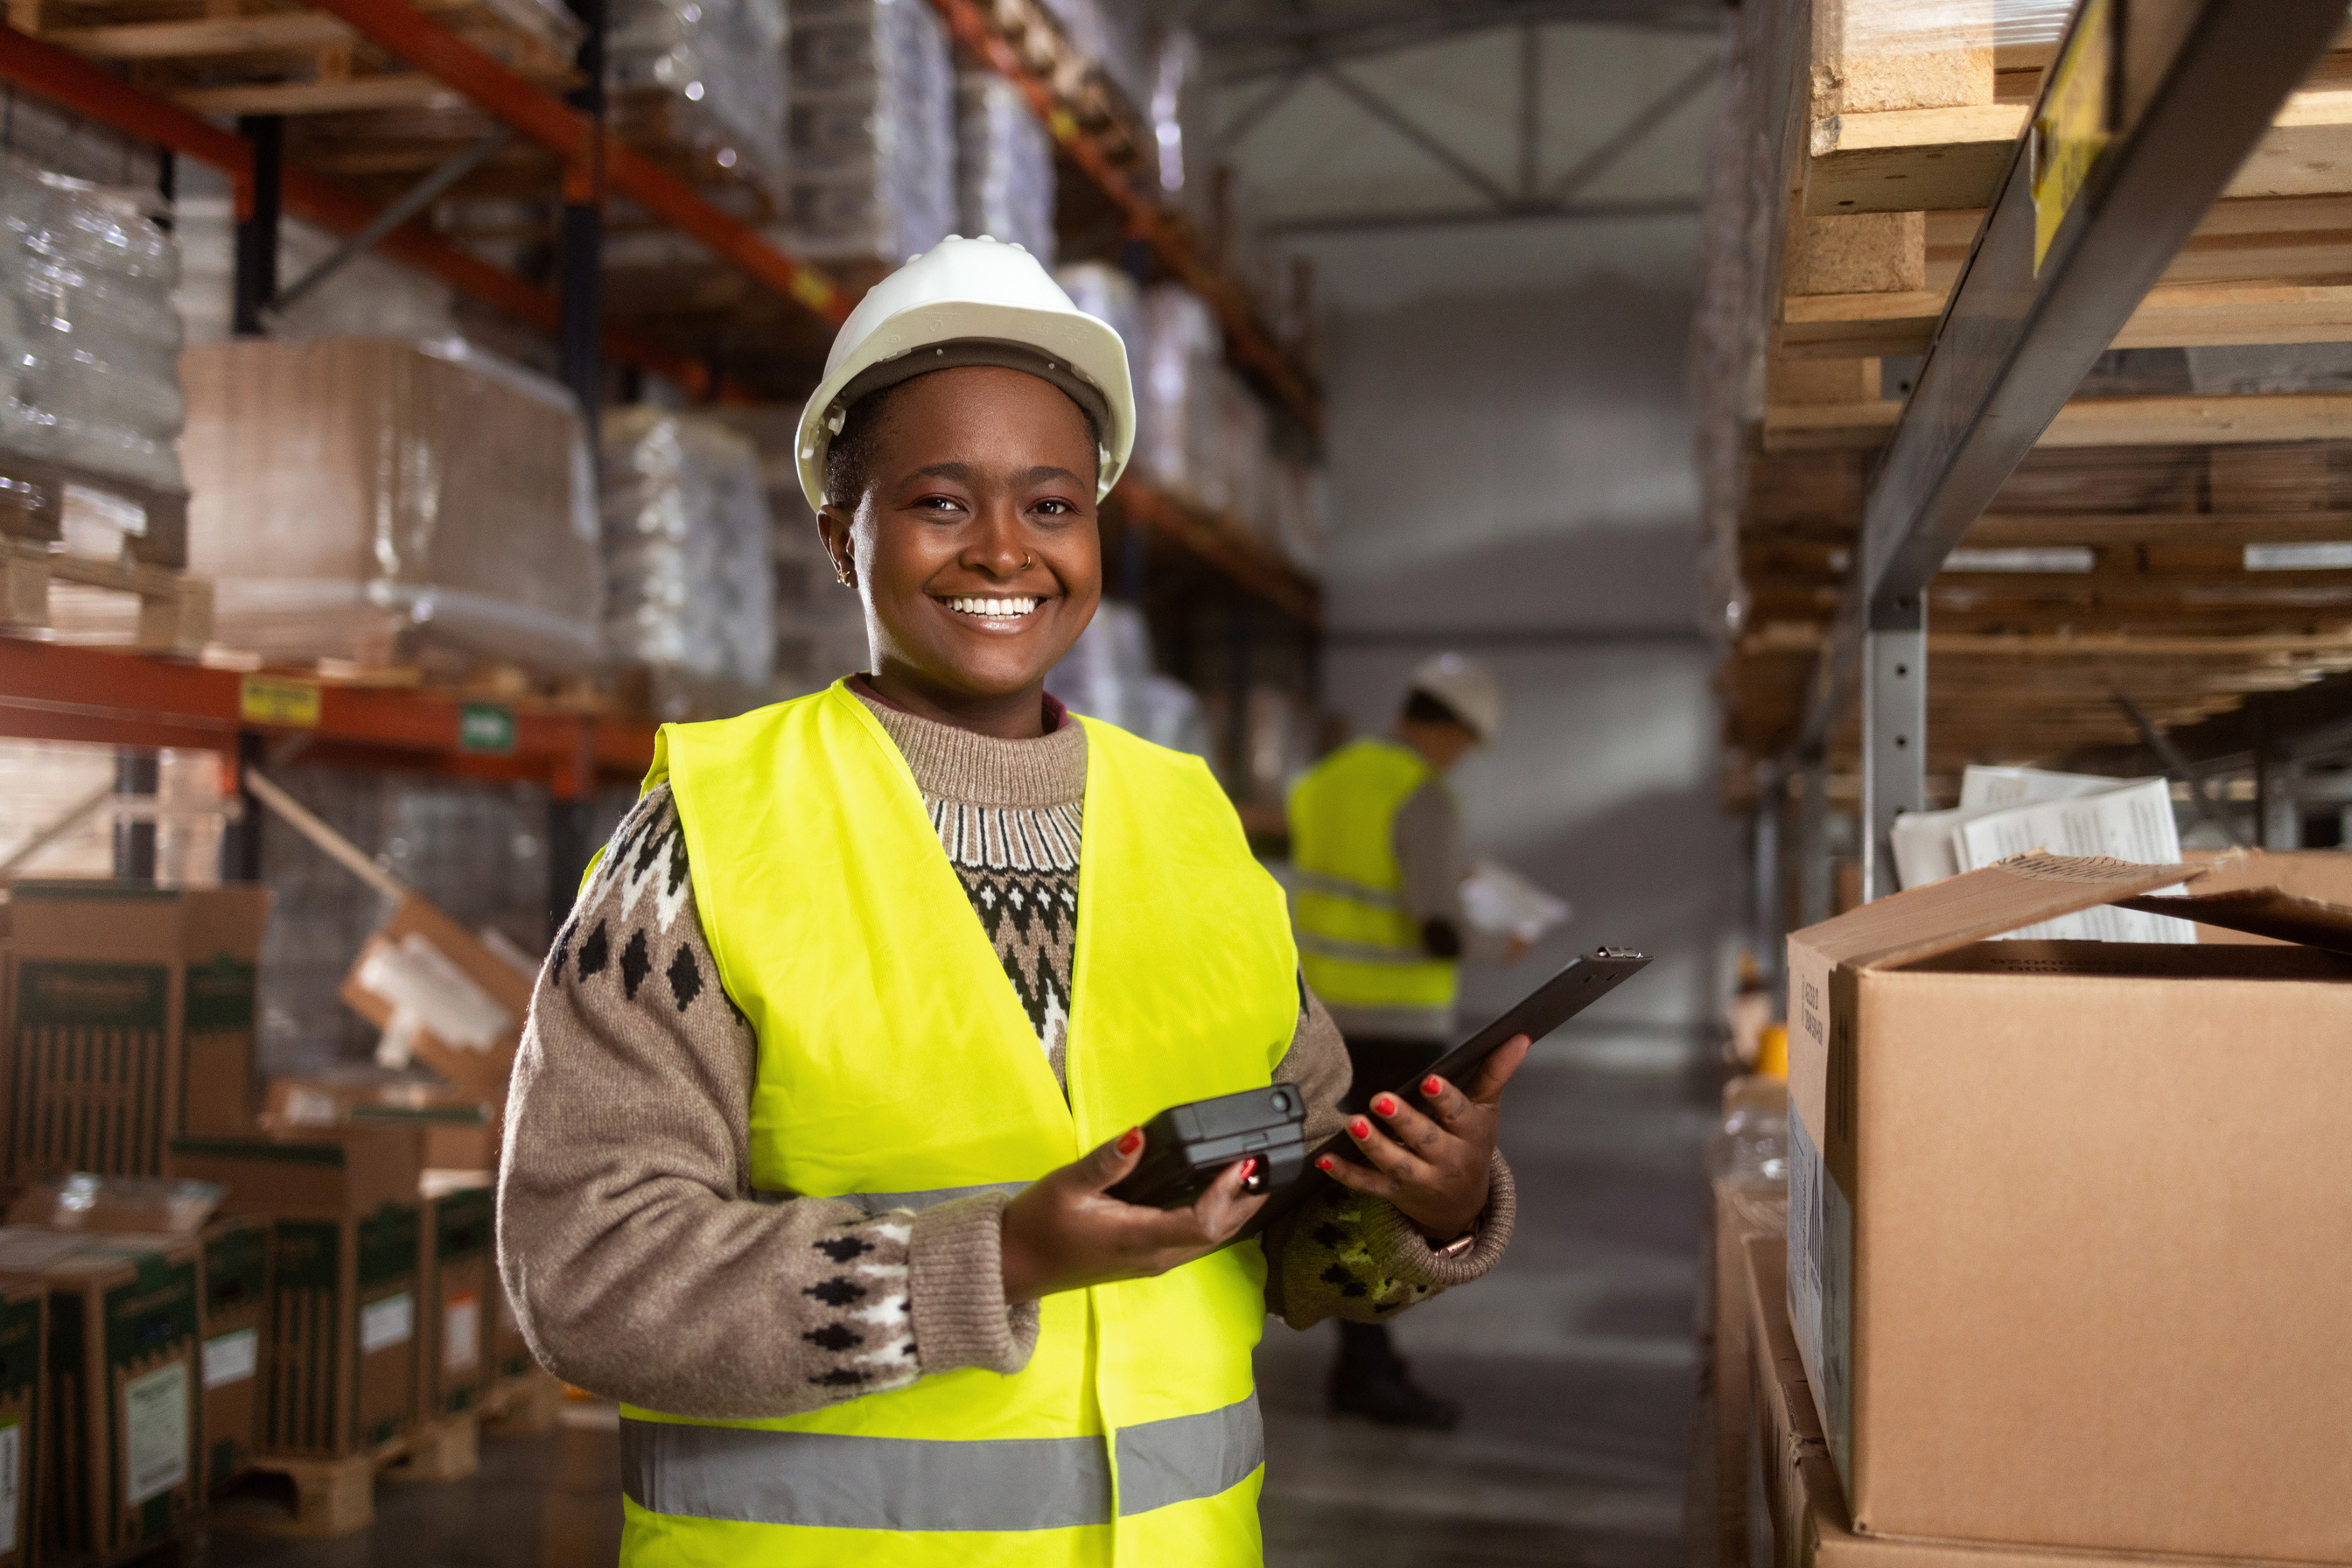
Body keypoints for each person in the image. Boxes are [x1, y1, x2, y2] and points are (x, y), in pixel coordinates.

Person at [499, 237, 1527, 1568]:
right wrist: (991, 1262)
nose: (1004, 550)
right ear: (838, 535)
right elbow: (588, 1277)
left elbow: (1285, 1236)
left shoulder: (1191, 826)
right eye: (939, 501)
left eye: (1051, 505)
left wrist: (1425, 1204)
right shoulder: (705, 838)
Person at [1286, 653, 1528, 1429]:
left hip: (1320, 1022)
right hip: (1396, 1027)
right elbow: (1433, 928)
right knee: (1386, 1205)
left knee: (1336, 1189)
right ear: (1452, 728)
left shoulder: (1323, 781)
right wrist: (1502, 942)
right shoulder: (1423, 795)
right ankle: (1367, 1372)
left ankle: (1368, 1362)